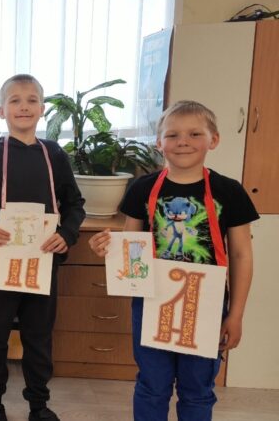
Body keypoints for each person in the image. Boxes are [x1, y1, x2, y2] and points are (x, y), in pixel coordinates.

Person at [87, 100, 258, 421]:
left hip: (206, 305)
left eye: (195, 134)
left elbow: (240, 254)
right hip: (151, 302)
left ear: (214, 140)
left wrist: (235, 315)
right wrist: (108, 247)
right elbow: (131, 247)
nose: (183, 142)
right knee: (152, 385)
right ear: (159, 143)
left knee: (197, 389)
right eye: (173, 135)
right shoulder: (142, 188)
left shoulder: (229, 191)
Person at [0, 74, 86, 421]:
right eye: (15, 100)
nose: (23, 106)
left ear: (42, 109)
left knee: (38, 336)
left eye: (32, 100)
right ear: (1, 110)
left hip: (43, 261)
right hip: (0, 262)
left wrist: (67, 233)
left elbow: (75, 205)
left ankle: (38, 403)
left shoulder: (54, 154)